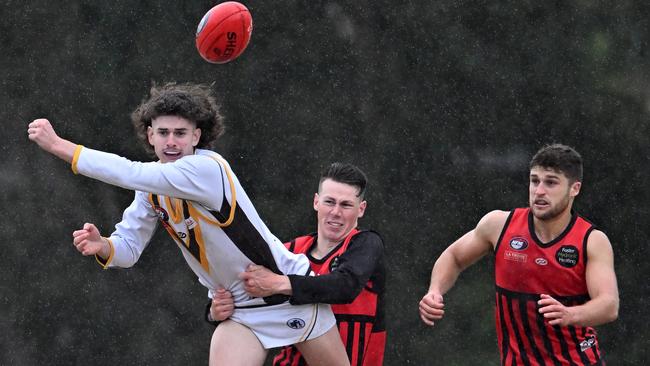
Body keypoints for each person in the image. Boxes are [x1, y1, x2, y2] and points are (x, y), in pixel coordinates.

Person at [27, 82, 350, 366]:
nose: (171, 142)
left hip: (286, 291)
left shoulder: (206, 168)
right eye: (163, 132)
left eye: (181, 133)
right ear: (149, 135)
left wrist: (58, 145)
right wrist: (104, 245)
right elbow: (128, 250)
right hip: (238, 308)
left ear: (197, 136)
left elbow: (129, 172)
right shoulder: (152, 188)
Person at [419, 144, 619, 365]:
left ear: (575, 188)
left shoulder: (590, 240)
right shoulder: (499, 225)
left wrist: (570, 315)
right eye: (534, 181)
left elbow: (609, 305)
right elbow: (454, 257)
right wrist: (434, 291)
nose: (539, 191)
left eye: (551, 182)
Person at [210, 162, 386, 365]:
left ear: (361, 209)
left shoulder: (367, 244)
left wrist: (280, 284)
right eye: (329, 202)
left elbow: (344, 287)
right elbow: (243, 290)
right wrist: (215, 310)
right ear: (316, 202)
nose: (336, 212)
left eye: (345, 205)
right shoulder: (290, 251)